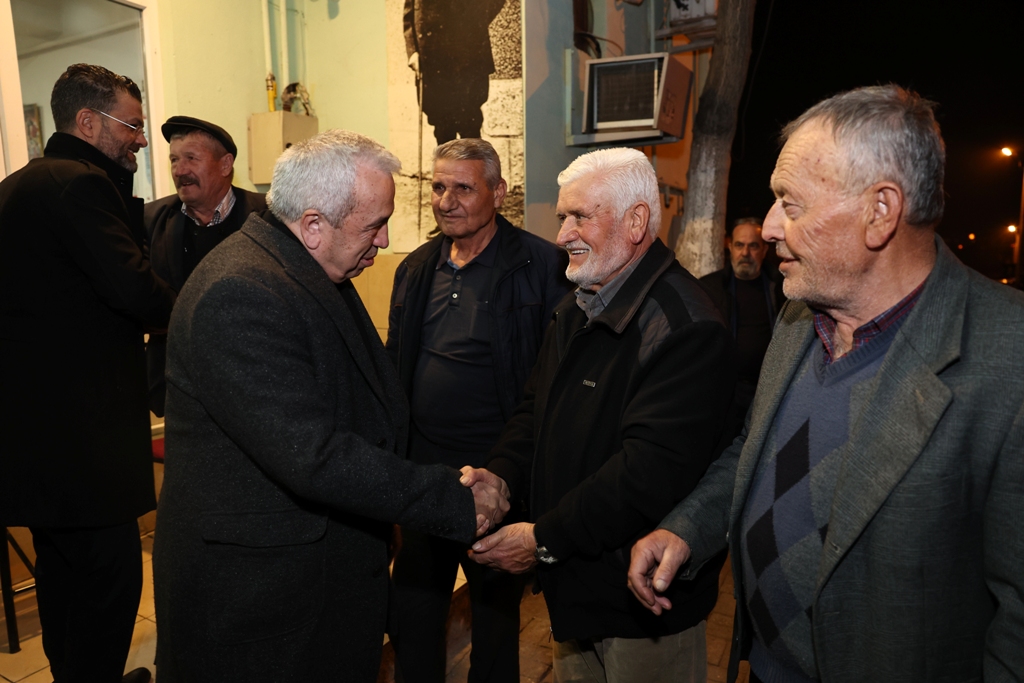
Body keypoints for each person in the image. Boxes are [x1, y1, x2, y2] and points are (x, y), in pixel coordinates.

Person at [628, 85, 1024, 682]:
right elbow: (754, 449)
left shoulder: (1009, 358)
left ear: (880, 211)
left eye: (791, 204)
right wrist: (689, 528)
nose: (768, 228)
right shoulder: (800, 316)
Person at [152, 129, 510, 683]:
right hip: (261, 611)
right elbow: (313, 454)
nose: (384, 240)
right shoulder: (240, 292)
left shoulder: (302, 267)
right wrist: (454, 499)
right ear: (314, 225)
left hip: (311, 588)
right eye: (374, 225)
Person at [464, 148, 735, 683]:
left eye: (579, 217)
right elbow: (534, 412)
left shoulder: (687, 325)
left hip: (642, 605)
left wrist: (543, 539)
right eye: (562, 217)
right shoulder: (579, 304)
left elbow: (646, 475)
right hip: (575, 586)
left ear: (636, 222)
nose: (562, 235)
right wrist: (500, 476)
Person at [0, 64, 175, 683]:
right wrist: (201, 305)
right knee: (109, 583)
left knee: (61, 580)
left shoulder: (15, 187)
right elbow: (137, 293)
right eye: (132, 125)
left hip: (34, 445)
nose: (141, 139)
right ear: (87, 122)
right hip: (86, 446)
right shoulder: (80, 185)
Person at [386, 138, 571, 683]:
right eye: (438, 187)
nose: (446, 201)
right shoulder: (416, 268)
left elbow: (554, 379)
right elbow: (396, 366)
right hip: (425, 478)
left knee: (494, 628)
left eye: (463, 188)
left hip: (498, 480)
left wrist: (519, 477)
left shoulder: (543, 266)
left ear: (499, 191)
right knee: (413, 619)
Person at [144, 116, 267, 416]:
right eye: (174, 159)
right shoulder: (150, 220)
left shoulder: (269, 217)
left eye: (191, 158)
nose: (179, 170)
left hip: (254, 384)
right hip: (178, 391)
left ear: (225, 165)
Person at [700, 218, 785, 444]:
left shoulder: (782, 288)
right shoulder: (709, 288)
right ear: (730, 247)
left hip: (768, 392)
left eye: (753, 245)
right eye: (739, 245)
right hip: (724, 394)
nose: (745, 253)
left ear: (764, 250)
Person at [403, 0, 506, 144]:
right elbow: (409, 15)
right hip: (432, 56)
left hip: (467, 52)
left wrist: (475, 22)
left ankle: (470, 158)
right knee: (441, 123)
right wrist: (413, 50)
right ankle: (446, 158)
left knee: (469, 122)